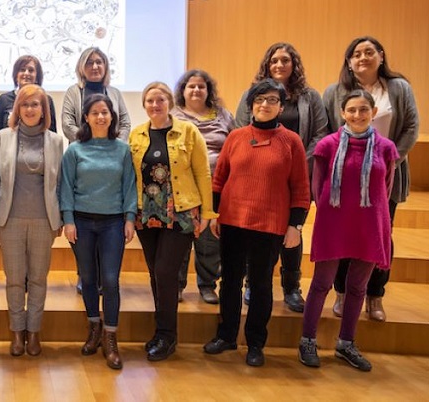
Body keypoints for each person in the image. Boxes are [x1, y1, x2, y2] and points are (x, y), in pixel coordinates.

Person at [204, 79, 310, 367]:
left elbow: (301, 188)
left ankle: (255, 343)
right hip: (233, 220)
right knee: (230, 282)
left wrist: (295, 225)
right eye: (260, 100)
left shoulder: (292, 141)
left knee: (261, 285)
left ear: (281, 107)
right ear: (251, 105)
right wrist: (215, 214)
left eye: (272, 100)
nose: (265, 105)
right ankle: (226, 336)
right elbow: (219, 179)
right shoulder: (236, 137)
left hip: (270, 224)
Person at [299, 90, 398, 372]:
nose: (357, 115)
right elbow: (318, 188)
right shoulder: (327, 146)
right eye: (351, 110)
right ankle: (307, 340)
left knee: (358, 287)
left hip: (369, 224)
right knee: (321, 284)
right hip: (334, 223)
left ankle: (346, 343)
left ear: (373, 112)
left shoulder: (386, 147)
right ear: (342, 113)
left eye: (363, 109)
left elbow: (386, 188)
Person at [322, 36, 418, 322]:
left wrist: (389, 161)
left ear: (381, 56)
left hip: (385, 175)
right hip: (344, 178)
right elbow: (327, 132)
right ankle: (342, 292)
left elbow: (411, 127)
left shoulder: (398, 88)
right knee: (343, 235)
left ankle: (375, 295)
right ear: (349, 62)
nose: (362, 57)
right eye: (356, 54)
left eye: (369, 52)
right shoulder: (334, 92)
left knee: (380, 235)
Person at [235, 43, 327, 313]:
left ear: (294, 64)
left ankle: (291, 288)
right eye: (274, 60)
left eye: (285, 60)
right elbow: (240, 129)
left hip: (298, 176)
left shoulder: (310, 97)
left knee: (292, 232)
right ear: (267, 64)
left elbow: (320, 133)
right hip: (259, 177)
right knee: (255, 232)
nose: (279, 65)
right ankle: (252, 283)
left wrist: (298, 162)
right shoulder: (251, 94)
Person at [130, 82, 214, 362]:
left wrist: (207, 213)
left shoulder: (188, 131)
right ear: (144, 105)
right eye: (150, 100)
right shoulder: (136, 134)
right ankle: (161, 332)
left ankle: (167, 335)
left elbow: (203, 173)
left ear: (170, 103)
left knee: (166, 272)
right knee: (156, 273)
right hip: (146, 213)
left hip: (180, 212)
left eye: (160, 100)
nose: (155, 105)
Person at [59, 94, 137, 370]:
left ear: (112, 116)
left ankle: (110, 336)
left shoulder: (122, 149)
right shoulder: (75, 150)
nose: (101, 117)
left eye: (105, 112)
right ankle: (94, 326)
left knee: (111, 280)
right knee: (89, 278)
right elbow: (65, 187)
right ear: (86, 118)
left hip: (113, 223)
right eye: (95, 113)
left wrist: (130, 218)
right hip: (81, 222)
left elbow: (130, 186)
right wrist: (68, 220)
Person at [0, 84, 64, 357]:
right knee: (13, 279)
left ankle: (33, 332)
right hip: (9, 219)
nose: (30, 109)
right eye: (25, 104)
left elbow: (60, 184)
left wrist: (60, 218)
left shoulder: (55, 141)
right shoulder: (4, 137)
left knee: (37, 279)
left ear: (44, 110)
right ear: (17, 109)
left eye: (36, 105)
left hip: (43, 220)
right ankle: (16, 331)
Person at [170, 69, 234, 304]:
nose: (196, 90)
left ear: (208, 90)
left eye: (201, 86)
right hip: (182, 189)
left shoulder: (223, 115)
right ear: (183, 90)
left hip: (215, 187)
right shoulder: (173, 115)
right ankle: (176, 285)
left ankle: (207, 285)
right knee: (179, 240)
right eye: (191, 86)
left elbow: (234, 146)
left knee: (209, 241)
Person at [61, 47, 131, 143]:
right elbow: (67, 124)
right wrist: (87, 143)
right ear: (81, 67)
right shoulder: (73, 92)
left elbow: (125, 123)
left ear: (105, 66)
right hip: (81, 148)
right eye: (90, 63)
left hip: (111, 149)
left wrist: (115, 145)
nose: (95, 67)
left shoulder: (115, 93)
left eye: (99, 62)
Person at [0, 54, 58, 143]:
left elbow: (52, 134)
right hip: (9, 149)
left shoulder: (46, 100)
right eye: (22, 70)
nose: (26, 73)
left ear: (37, 76)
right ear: (16, 75)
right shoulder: (4, 99)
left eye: (31, 70)